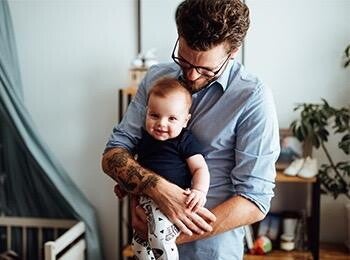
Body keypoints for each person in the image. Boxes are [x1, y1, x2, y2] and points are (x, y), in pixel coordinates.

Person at [102, 0, 280, 259]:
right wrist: (156, 190)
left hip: (211, 252)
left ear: (233, 52)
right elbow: (113, 155)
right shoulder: (155, 80)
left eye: (206, 69)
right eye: (184, 61)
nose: (192, 76)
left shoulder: (253, 98)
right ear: (179, 36)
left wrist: (165, 235)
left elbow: (255, 202)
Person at [124, 77, 210, 259]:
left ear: (185, 120)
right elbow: (136, 167)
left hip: (173, 203)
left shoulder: (185, 140)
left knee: (159, 237)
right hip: (145, 201)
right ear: (146, 113)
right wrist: (124, 185)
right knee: (139, 246)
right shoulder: (144, 139)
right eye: (154, 115)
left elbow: (200, 169)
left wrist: (200, 191)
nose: (162, 124)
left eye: (172, 118)